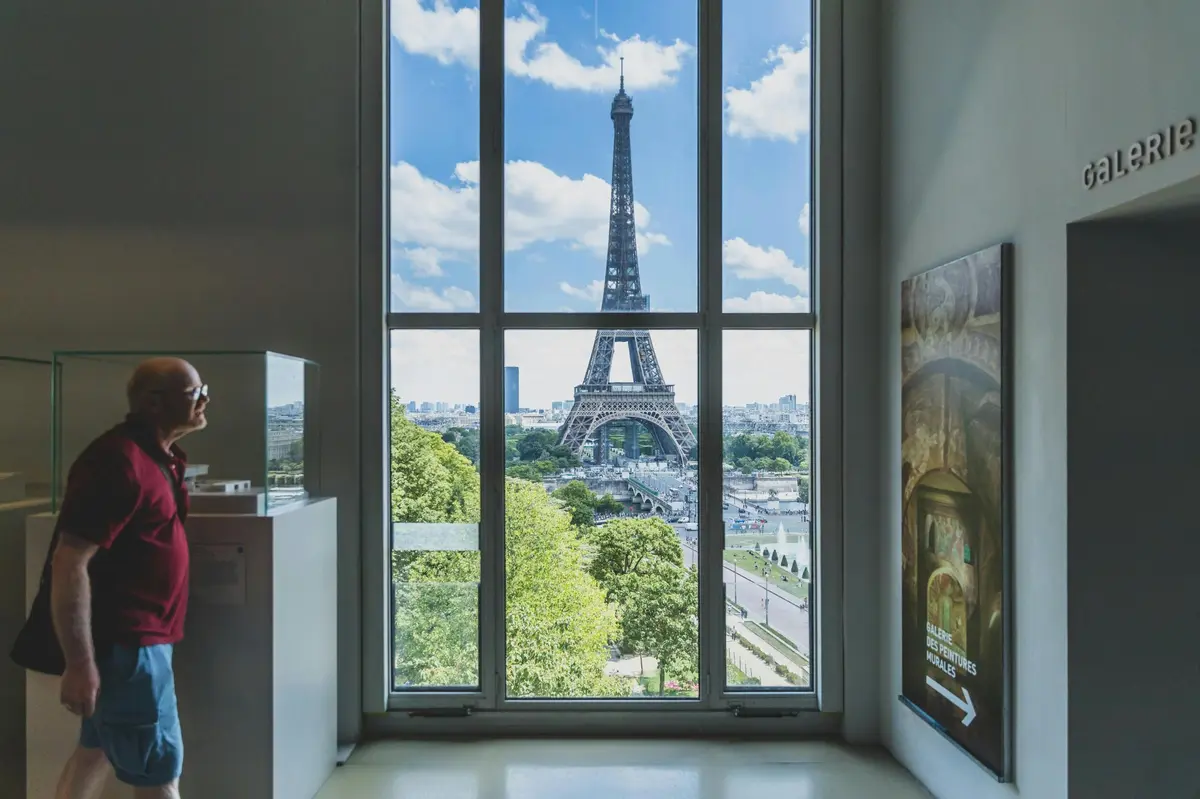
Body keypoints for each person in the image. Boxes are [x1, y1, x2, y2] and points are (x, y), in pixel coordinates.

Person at [52, 358, 209, 799]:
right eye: (194, 392)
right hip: (131, 648)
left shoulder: (157, 458)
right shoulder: (119, 462)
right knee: (157, 771)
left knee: (95, 753)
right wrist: (80, 664)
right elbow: (70, 563)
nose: (204, 400)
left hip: (137, 643)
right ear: (154, 403)